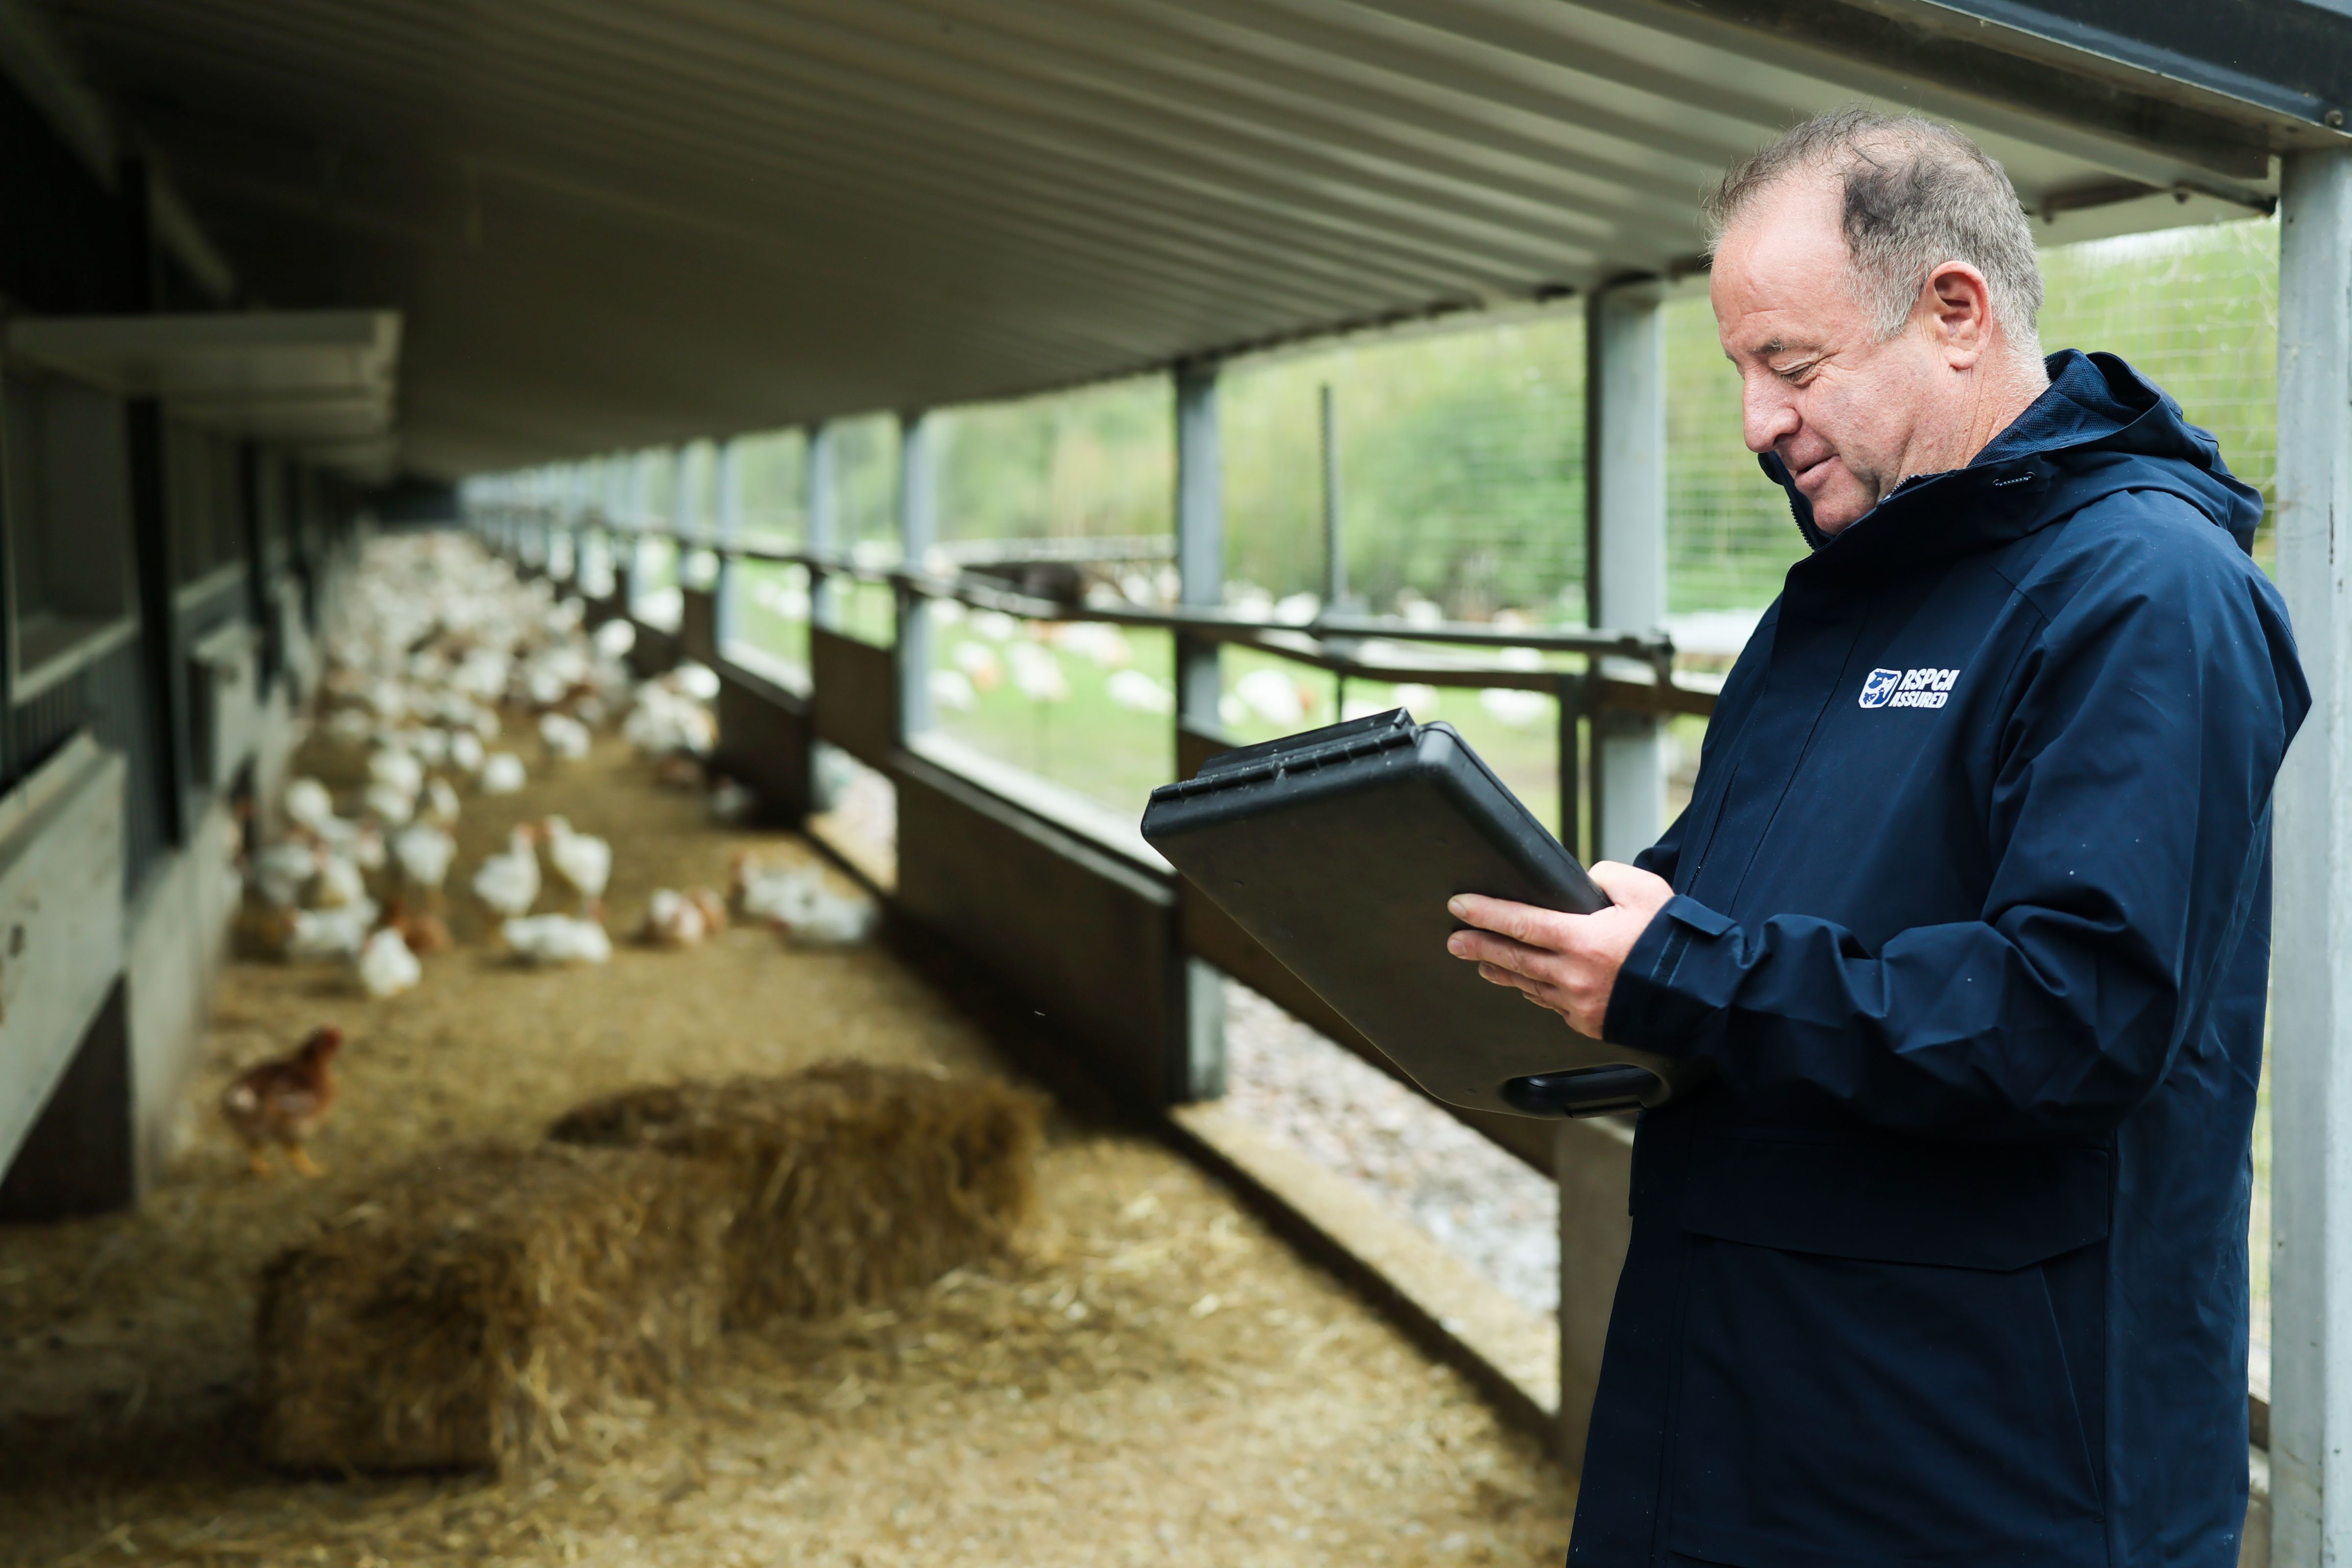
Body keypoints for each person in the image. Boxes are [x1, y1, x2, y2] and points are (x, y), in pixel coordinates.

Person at [1445, 107, 2307, 1567]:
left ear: (1955, 313)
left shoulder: (2144, 593)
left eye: (1792, 365)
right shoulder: (1844, 594)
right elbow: (1745, 887)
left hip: (1981, 1462)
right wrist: (1615, 913)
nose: (1758, 424)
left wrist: (1683, 969)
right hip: (1736, 1402)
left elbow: (2072, 1018)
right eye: (1741, 371)